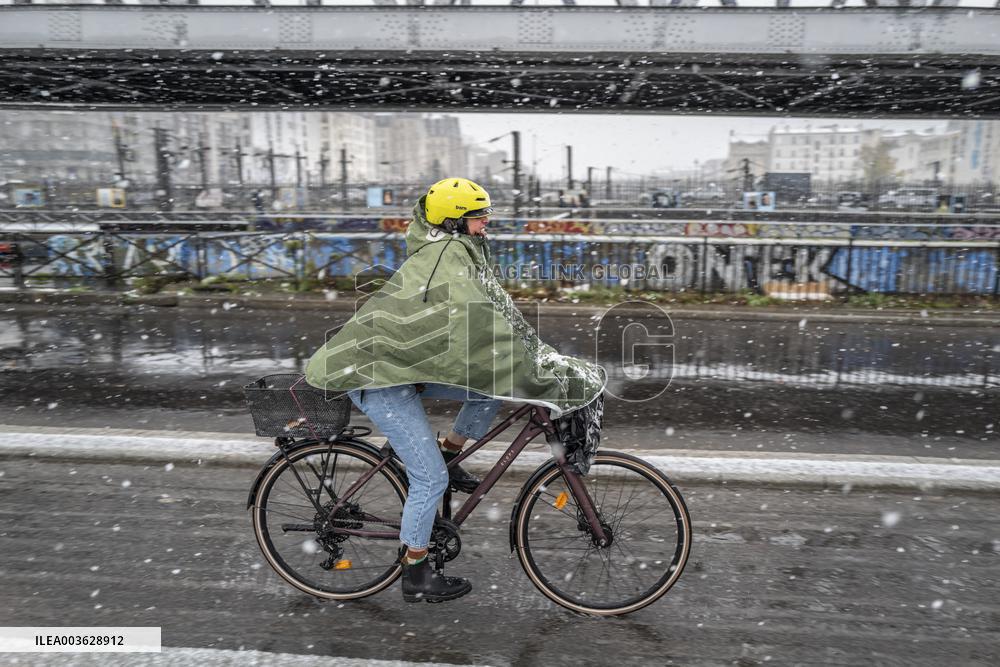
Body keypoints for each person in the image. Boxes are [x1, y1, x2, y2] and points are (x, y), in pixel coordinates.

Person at [304, 177, 605, 604]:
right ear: (454, 221)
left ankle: (448, 452)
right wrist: (526, 367)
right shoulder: (446, 256)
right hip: (375, 377)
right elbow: (480, 325)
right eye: (479, 216)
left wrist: (535, 358)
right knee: (430, 479)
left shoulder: (460, 250)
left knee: (487, 390)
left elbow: (499, 315)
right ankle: (415, 573)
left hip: (397, 367)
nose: (486, 222)